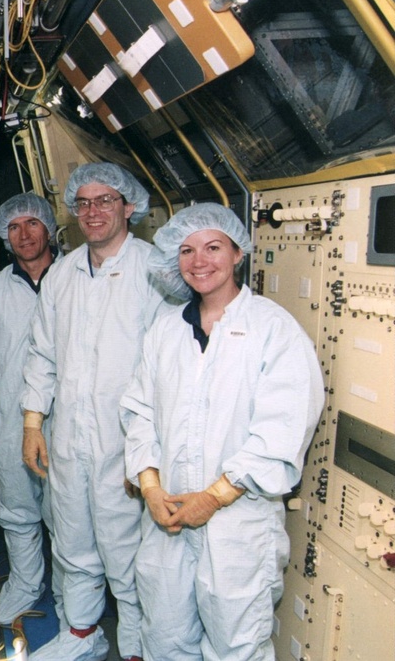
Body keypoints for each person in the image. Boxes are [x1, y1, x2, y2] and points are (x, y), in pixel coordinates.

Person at [121, 203, 324, 660]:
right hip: (167, 516)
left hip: (238, 527)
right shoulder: (166, 330)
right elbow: (139, 411)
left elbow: (283, 429)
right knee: (164, 638)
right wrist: (150, 487)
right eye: (187, 250)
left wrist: (214, 496)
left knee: (236, 647)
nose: (199, 261)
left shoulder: (273, 330)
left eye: (213, 247)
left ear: (237, 253)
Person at [21, 163, 169, 661]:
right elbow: (42, 355)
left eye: (105, 200)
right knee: (73, 540)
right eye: (83, 203)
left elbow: (166, 367)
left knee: (126, 551)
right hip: (68, 438)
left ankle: (135, 647)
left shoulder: (155, 272)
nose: (93, 212)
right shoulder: (62, 275)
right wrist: (32, 423)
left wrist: (150, 450)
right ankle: (82, 634)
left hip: (126, 440)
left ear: (129, 206)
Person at [0, 193, 65, 626]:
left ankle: (69, 591)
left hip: (69, 421)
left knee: (67, 514)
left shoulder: (75, 279)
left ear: (49, 228)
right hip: (9, 417)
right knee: (17, 511)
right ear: (5, 236)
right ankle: (25, 581)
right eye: (14, 227)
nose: (24, 234)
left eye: (32, 224)